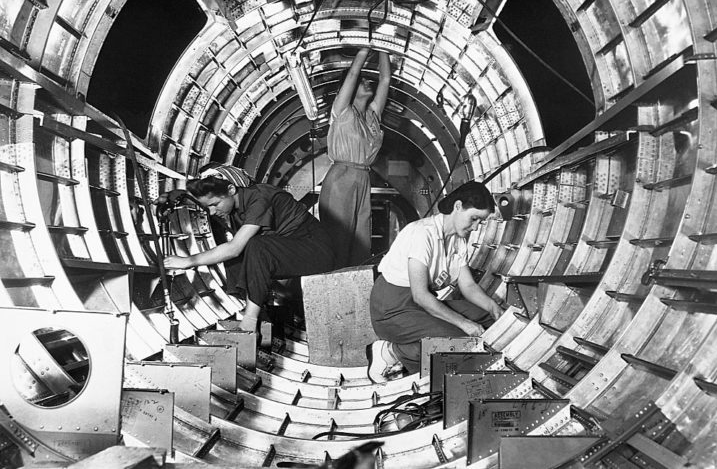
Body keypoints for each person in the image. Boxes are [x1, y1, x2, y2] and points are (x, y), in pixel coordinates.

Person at [163, 164, 335, 332]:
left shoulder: (260, 199)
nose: (212, 212)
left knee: (254, 246)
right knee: (243, 249)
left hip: (316, 251)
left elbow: (233, 249)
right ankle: (263, 312)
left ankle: (250, 321)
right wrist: (174, 196)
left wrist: (187, 261)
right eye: (208, 207)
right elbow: (204, 198)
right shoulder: (235, 198)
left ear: (231, 190)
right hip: (289, 248)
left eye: (215, 204)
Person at [366, 181, 505, 382]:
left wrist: (494, 308)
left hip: (418, 305)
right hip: (391, 308)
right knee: (460, 339)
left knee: (485, 318)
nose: (475, 227)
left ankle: (411, 352)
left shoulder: (458, 240)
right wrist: (465, 324)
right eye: (474, 219)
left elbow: (468, 286)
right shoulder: (423, 233)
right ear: (457, 207)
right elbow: (421, 296)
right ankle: (390, 353)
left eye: (480, 222)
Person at [318, 47, 391, 267]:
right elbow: (351, 74)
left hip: (363, 178)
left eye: (369, 81)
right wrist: (364, 50)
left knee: (361, 242)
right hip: (341, 177)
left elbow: (385, 79)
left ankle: (356, 292)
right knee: (337, 240)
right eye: (363, 81)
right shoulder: (342, 111)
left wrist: (384, 47)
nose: (369, 83)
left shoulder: (372, 116)